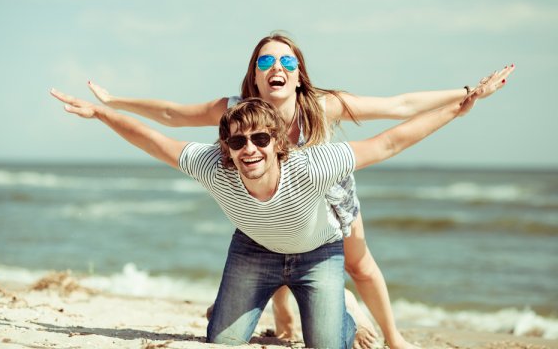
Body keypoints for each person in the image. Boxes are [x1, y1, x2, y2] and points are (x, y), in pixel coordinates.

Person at [85, 33, 509, 348]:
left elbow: (397, 113)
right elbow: (168, 116)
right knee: (272, 241)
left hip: (325, 187)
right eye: (266, 59)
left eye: (287, 61)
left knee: (358, 266)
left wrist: (466, 94)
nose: (277, 67)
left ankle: (387, 333)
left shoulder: (321, 105)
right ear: (254, 75)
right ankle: (277, 319)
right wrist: (114, 103)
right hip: (266, 201)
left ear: (298, 74)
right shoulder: (236, 115)